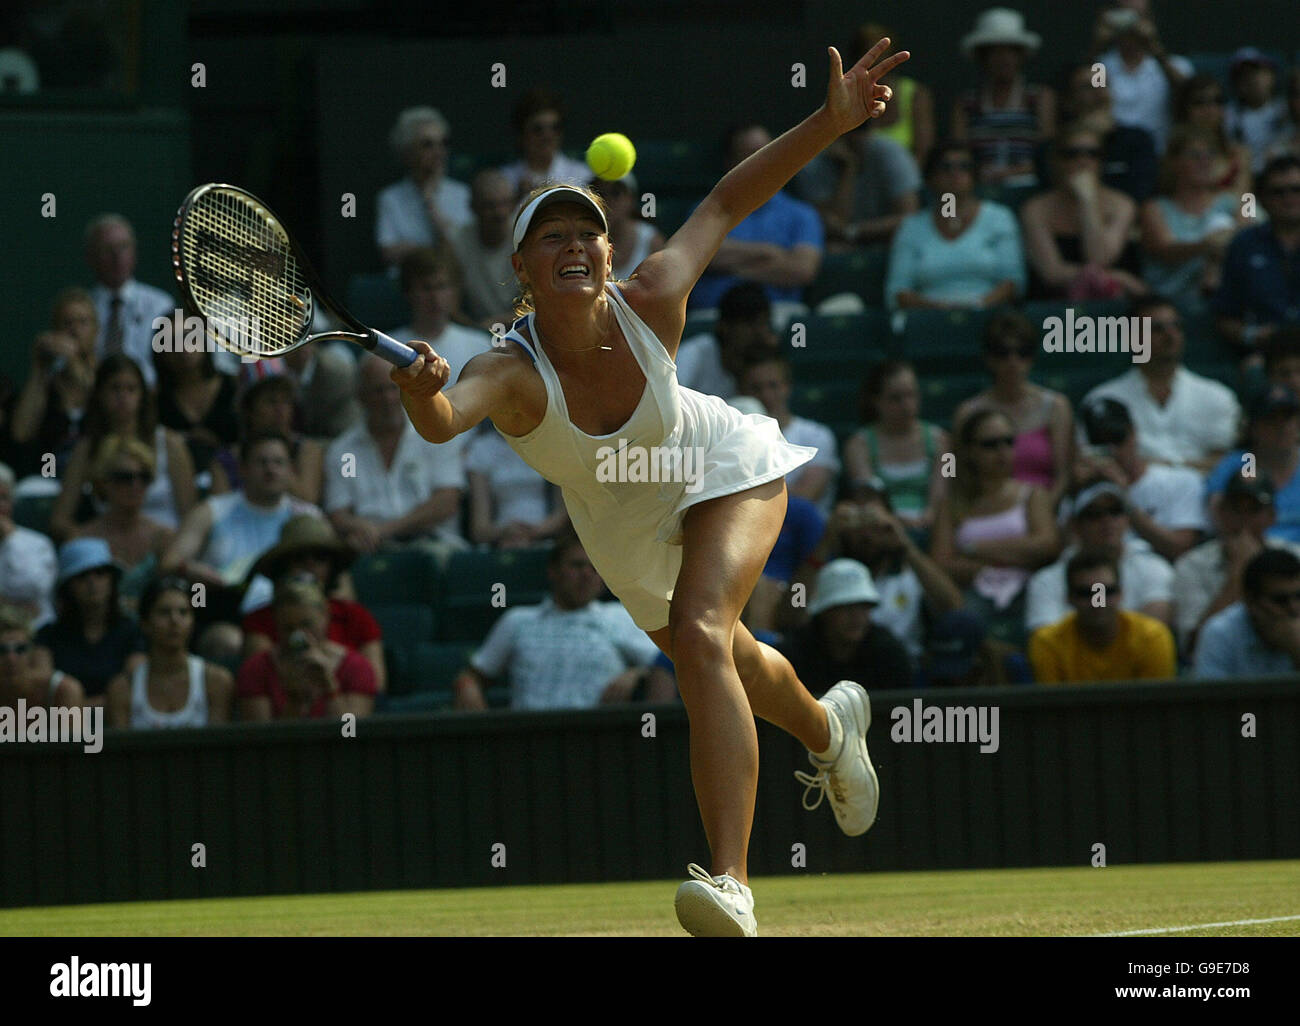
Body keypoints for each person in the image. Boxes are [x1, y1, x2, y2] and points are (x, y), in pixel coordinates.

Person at [388, 38, 910, 938]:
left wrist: (829, 122)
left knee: (704, 636)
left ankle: (734, 883)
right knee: (735, 662)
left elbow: (726, 199)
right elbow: (443, 422)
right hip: (622, 530)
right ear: (522, 269)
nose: (576, 246)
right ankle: (828, 731)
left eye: (586, 230)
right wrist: (418, 392)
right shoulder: (508, 371)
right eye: (551, 236)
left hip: (719, 468)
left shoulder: (654, 293)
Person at [453, 534, 664, 711]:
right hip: (527, 740)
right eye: (577, 565)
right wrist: (468, 687)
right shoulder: (517, 620)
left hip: (598, 738)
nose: (587, 574)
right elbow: (473, 676)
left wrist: (637, 674)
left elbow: (665, 666)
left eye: (595, 567)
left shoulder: (620, 617)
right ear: (553, 571)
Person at [161, 432, 322, 663]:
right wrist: (192, 571)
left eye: (278, 462)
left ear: (290, 470)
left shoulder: (308, 517)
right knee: (226, 637)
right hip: (225, 612)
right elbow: (168, 563)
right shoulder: (212, 511)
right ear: (242, 469)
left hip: (291, 614)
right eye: (261, 462)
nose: (270, 469)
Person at [786, 487, 963, 662]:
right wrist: (825, 541)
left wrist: (904, 543)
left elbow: (954, 607)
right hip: (839, 665)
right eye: (857, 523)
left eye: (874, 524)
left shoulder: (909, 572)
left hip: (904, 669)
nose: (866, 535)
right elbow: (790, 617)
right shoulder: (827, 574)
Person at [930, 408, 1060, 633]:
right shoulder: (950, 503)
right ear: (970, 451)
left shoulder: (1033, 494)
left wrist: (972, 548)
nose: (1002, 451)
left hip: (1030, 586)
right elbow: (941, 563)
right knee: (960, 621)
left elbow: (1047, 546)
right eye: (990, 444)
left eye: (1009, 442)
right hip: (974, 591)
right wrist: (1016, 556)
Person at [324, 356, 467, 556]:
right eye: (378, 390)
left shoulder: (435, 433)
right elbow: (338, 513)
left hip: (435, 544)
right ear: (361, 396)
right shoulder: (345, 451)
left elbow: (447, 501)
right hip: (372, 549)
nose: (388, 399)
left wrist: (384, 530)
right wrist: (362, 529)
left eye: (393, 388)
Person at [1084, 294, 1240, 472]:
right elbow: (1099, 464)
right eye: (1156, 328)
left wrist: (1158, 466)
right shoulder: (1104, 400)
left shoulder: (1217, 396)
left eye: (1176, 326)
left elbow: (1225, 464)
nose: (1169, 335)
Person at [48, 354, 196, 541]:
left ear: (143, 395)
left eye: (131, 389)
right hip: (110, 551)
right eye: (115, 389)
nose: (123, 397)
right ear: (100, 394)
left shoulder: (171, 444)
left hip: (165, 547)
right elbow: (60, 521)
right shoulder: (86, 449)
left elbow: (191, 518)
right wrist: (89, 544)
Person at [240, 515, 386, 693]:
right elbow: (260, 683)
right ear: (283, 565)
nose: (309, 564)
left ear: (332, 566)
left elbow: (375, 685)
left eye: (320, 557)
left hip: (346, 711)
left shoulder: (356, 616)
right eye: (299, 557)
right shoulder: (260, 620)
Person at [690, 123, 825, 312]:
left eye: (770, 151)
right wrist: (768, 252)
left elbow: (802, 270)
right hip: (715, 317)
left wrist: (735, 271)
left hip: (779, 316)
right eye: (753, 154)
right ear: (731, 162)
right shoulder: (705, 210)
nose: (765, 160)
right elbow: (698, 258)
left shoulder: (802, 214)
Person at [884, 140, 1025, 312]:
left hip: (989, 319)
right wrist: (939, 310)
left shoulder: (999, 218)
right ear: (930, 177)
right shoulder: (911, 227)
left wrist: (977, 306)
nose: (955, 173)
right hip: (929, 321)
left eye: (964, 166)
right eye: (946, 167)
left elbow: (1014, 282)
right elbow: (897, 291)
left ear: (975, 175)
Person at [1173, 471, 1300, 659]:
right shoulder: (1192, 566)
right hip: (1228, 666)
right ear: (1221, 513)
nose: (1244, 519)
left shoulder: (1295, 556)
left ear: (1271, 516)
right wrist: (1240, 571)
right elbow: (1193, 648)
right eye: (1235, 509)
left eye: (1254, 510)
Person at [954, 311, 1073, 508]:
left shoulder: (1056, 407)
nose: (1013, 361)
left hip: (1046, 511)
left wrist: (1040, 514)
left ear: (1032, 358)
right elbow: (951, 469)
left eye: (1022, 352)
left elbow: (1064, 476)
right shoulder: (967, 412)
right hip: (985, 513)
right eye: (1003, 353)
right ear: (989, 358)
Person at [1024, 479, 1174, 633]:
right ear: (1075, 525)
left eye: (1115, 511)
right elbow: (1045, 643)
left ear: (1128, 519)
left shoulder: (1154, 568)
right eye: (1095, 514)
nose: (1107, 520)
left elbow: (1154, 632)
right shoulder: (1047, 581)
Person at [1072, 396, 1207, 562]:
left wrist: (1124, 499)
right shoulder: (1085, 488)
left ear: (1134, 433)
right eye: (1100, 443)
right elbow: (1070, 553)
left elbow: (1180, 549)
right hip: (1101, 582)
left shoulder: (1181, 481)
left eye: (1117, 437)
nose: (1112, 450)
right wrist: (1077, 492)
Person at [1021, 123, 1145, 300]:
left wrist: (1088, 202)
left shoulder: (1122, 204)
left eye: (1093, 154)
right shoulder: (1035, 209)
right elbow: (1052, 273)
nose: (1083, 161)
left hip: (1114, 304)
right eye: (1072, 154)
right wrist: (1116, 277)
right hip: (1058, 304)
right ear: (1056, 160)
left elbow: (1100, 257)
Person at [236, 577, 376, 721]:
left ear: (325, 617)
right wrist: (295, 701)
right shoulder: (256, 669)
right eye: (288, 628)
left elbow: (350, 734)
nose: (298, 636)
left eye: (307, 625)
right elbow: (262, 741)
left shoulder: (356, 667)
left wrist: (331, 689)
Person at [1028, 549, 1176, 683]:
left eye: (1106, 591)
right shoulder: (1048, 643)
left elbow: (1156, 708)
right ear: (1069, 598)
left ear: (1121, 594)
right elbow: (1052, 708)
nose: (1098, 602)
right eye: (1086, 593)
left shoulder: (1151, 637)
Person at [104, 575, 234, 728]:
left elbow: (218, 748)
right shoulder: (122, 689)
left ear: (192, 621)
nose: (175, 620)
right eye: (164, 612)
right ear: (144, 623)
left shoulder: (216, 681)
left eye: (183, 612)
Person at [1139, 127, 1245, 310]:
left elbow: (1250, 219)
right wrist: (1206, 245)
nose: (1204, 161)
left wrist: (1243, 173)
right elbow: (1166, 250)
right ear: (1174, 162)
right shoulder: (1155, 208)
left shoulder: (1236, 200)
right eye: (1195, 155)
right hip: (1172, 303)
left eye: (1211, 154)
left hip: (1223, 304)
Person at [841, 360, 949, 537]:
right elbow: (868, 497)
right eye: (896, 398)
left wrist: (929, 516)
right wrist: (897, 520)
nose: (907, 405)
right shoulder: (858, 445)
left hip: (933, 526)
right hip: (880, 527)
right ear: (876, 401)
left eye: (911, 395)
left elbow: (943, 491)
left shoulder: (942, 441)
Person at [791, 103, 921, 250]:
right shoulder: (814, 163)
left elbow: (909, 218)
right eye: (847, 130)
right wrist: (849, 169)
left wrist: (853, 231)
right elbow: (831, 222)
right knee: (833, 249)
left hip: (886, 240)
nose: (855, 137)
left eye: (861, 129)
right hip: (837, 243)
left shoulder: (891, 153)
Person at [69, 435, 176, 614]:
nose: (135, 484)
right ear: (104, 482)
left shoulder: (163, 537)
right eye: (124, 478)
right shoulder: (82, 538)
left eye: (144, 477)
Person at [951, 7, 1055, 186]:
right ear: (983, 57)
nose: (1004, 59)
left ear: (1021, 56)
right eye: (995, 52)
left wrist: (1013, 172)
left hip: (1030, 188)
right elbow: (958, 153)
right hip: (979, 188)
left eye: (1010, 52)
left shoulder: (1039, 97)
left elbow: (1050, 154)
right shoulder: (966, 102)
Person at [778, 558, 912, 696]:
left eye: (863, 606)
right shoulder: (795, 653)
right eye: (846, 607)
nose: (857, 616)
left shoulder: (889, 655)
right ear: (825, 611)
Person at [3, 287, 97, 481]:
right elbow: (21, 433)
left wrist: (74, 363)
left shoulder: (108, 376)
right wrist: (39, 369)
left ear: (96, 329)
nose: (74, 329)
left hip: (99, 479)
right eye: (67, 323)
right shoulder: (47, 383)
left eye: (83, 322)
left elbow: (105, 410)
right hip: (49, 476)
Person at [35, 537, 144, 702]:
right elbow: (44, 689)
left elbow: (135, 685)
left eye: (100, 573)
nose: (92, 582)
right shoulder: (48, 635)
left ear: (112, 580)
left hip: (120, 723)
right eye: (82, 576)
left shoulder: (133, 632)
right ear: (68, 587)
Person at [1213, 155, 1300, 360]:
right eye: (1278, 192)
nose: (1289, 198)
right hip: (1265, 355)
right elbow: (1225, 314)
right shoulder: (1244, 244)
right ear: (1262, 198)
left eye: (1297, 190)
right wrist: (1251, 336)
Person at [737, 350, 839, 516]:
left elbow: (806, 496)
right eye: (756, 388)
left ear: (787, 387)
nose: (766, 395)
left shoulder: (817, 436)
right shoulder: (735, 440)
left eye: (773, 385)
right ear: (743, 392)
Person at [84, 213, 179, 387]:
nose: (117, 256)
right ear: (91, 256)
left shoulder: (160, 305)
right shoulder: (83, 307)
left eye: (123, 247)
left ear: (134, 251)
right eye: (108, 249)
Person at [376, 106, 473, 266]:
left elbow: (464, 248)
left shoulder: (463, 193)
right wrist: (438, 250)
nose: (438, 151)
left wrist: (430, 204)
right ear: (406, 152)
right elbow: (388, 252)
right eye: (427, 144)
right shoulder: (390, 198)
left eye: (443, 143)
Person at [1089, 1, 1191, 154]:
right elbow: (1092, 95)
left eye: (1139, 16)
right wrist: (1097, 45)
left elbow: (1188, 93)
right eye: (1126, 15)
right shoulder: (1100, 66)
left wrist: (1155, 47)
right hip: (1114, 152)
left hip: (1160, 154)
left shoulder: (1173, 65)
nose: (1132, 24)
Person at [1204, 384, 1300, 544]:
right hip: (1247, 550)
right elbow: (1219, 516)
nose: (1282, 427)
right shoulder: (1237, 463)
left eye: (1287, 418)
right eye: (1271, 419)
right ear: (1253, 427)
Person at [208, 376, 324, 504]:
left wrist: (278, 459)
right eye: (271, 402)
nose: (281, 410)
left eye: (286, 402)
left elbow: (308, 500)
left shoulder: (307, 450)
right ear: (249, 410)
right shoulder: (225, 459)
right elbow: (219, 512)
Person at [1055, 59, 1157, 203]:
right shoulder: (1055, 147)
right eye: (1088, 87)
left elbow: (1141, 195)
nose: (1100, 94)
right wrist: (1087, 134)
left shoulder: (1138, 141)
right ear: (1068, 99)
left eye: (1103, 84)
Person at [387, 247, 492, 386]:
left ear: (455, 291)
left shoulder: (481, 347)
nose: (435, 297)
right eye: (426, 288)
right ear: (408, 292)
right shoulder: (388, 350)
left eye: (441, 286)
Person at [1194, 547, 1300, 678]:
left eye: (1298, 596)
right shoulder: (1220, 633)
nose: (1294, 608)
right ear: (1251, 602)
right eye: (1280, 600)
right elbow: (1209, 695)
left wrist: (1296, 651)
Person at [465, 425, 568, 549]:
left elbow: (565, 511)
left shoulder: (550, 443)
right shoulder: (481, 449)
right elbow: (479, 528)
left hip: (548, 539)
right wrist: (505, 532)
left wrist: (537, 531)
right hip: (499, 541)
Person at [674, 283, 780, 400]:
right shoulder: (693, 354)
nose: (759, 333)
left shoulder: (760, 356)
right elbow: (669, 399)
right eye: (750, 324)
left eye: (763, 324)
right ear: (725, 327)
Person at [152, 339, 240, 479]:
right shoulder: (156, 398)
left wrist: (220, 447)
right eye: (173, 342)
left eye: (191, 338)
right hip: (172, 478)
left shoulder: (234, 386)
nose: (184, 347)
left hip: (233, 475)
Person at [447, 169, 521, 329]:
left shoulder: (527, 237)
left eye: (505, 203)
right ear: (473, 207)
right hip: (474, 332)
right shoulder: (457, 243)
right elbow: (450, 307)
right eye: (490, 205)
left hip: (525, 328)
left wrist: (500, 323)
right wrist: (476, 332)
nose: (500, 212)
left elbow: (542, 304)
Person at [498, 87, 592, 201]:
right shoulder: (504, 180)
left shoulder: (583, 177)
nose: (548, 136)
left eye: (555, 128)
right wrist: (515, 200)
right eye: (538, 129)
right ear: (521, 134)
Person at [1173, 74, 1253, 197]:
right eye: (1199, 102)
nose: (1210, 109)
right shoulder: (1174, 155)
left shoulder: (1239, 154)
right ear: (1184, 109)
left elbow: (1247, 200)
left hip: (1235, 215)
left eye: (1217, 101)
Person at [0, 462, 57, 626]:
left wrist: (11, 539)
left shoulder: (38, 543)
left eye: (3, 498)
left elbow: (33, 587)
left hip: (38, 630)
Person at [0, 605, 84, 711]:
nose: (11, 658)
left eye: (20, 649)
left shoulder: (61, 690)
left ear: (31, 652)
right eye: (1, 650)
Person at [1224, 48, 1287, 175]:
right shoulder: (1226, 116)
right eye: (1244, 75)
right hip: (1246, 178)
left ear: (1271, 76)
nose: (1253, 79)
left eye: (1258, 72)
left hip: (1283, 178)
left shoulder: (1287, 109)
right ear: (1235, 83)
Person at [591, 174, 665, 281]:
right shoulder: (582, 241)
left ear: (631, 199)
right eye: (599, 194)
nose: (607, 200)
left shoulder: (652, 241)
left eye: (615, 192)